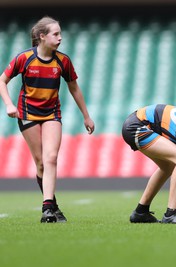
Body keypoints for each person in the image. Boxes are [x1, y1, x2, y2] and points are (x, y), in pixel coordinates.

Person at [0, 16, 95, 223]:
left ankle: (47, 209)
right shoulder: (24, 58)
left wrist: (86, 116)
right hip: (27, 114)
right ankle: (53, 205)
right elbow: (2, 80)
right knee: (41, 163)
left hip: (52, 113)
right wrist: (8, 104)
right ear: (42, 37)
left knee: (51, 158)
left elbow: (74, 88)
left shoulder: (63, 61)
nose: (60, 38)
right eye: (56, 34)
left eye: (60, 33)